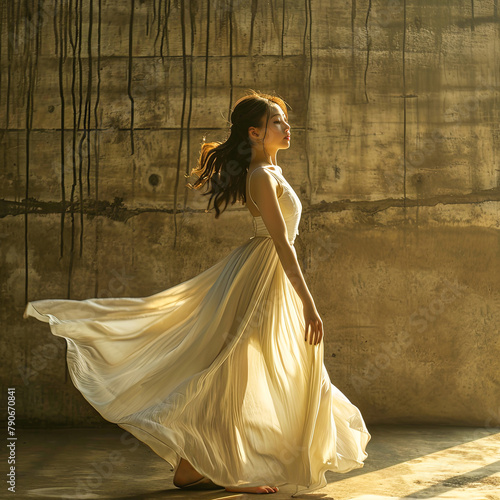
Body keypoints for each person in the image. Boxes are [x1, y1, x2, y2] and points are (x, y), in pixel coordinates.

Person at [23, 90, 371, 496]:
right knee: (230, 369)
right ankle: (215, 469)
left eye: (283, 120)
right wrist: (310, 305)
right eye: (277, 121)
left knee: (241, 368)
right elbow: (281, 243)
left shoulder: (271, 173)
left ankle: (193, 465)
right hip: (260, 279)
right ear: (255, 133)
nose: (287, 126)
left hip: (269, 277)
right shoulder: (260, 176)